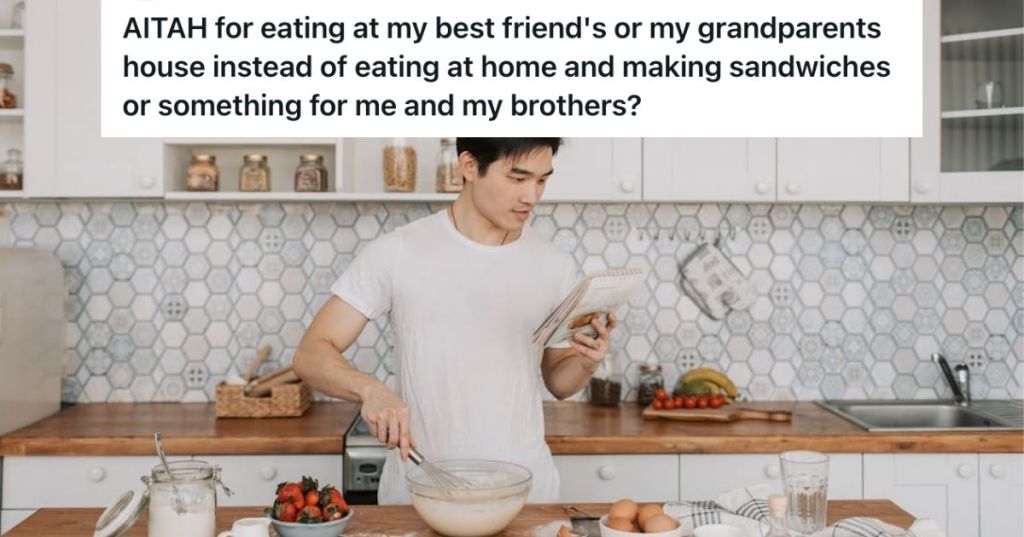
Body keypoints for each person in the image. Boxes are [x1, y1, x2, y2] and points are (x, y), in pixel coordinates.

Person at [293, 138, 617, 504]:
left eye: (542, 180)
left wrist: (586, 363)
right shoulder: (399, 251)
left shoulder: (554, 265)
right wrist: (369, 390)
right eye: (517, 178)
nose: (532, 196)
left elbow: (559, 381)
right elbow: (311, 353)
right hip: (420, 493)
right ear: (469, 166)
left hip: (525, 496)